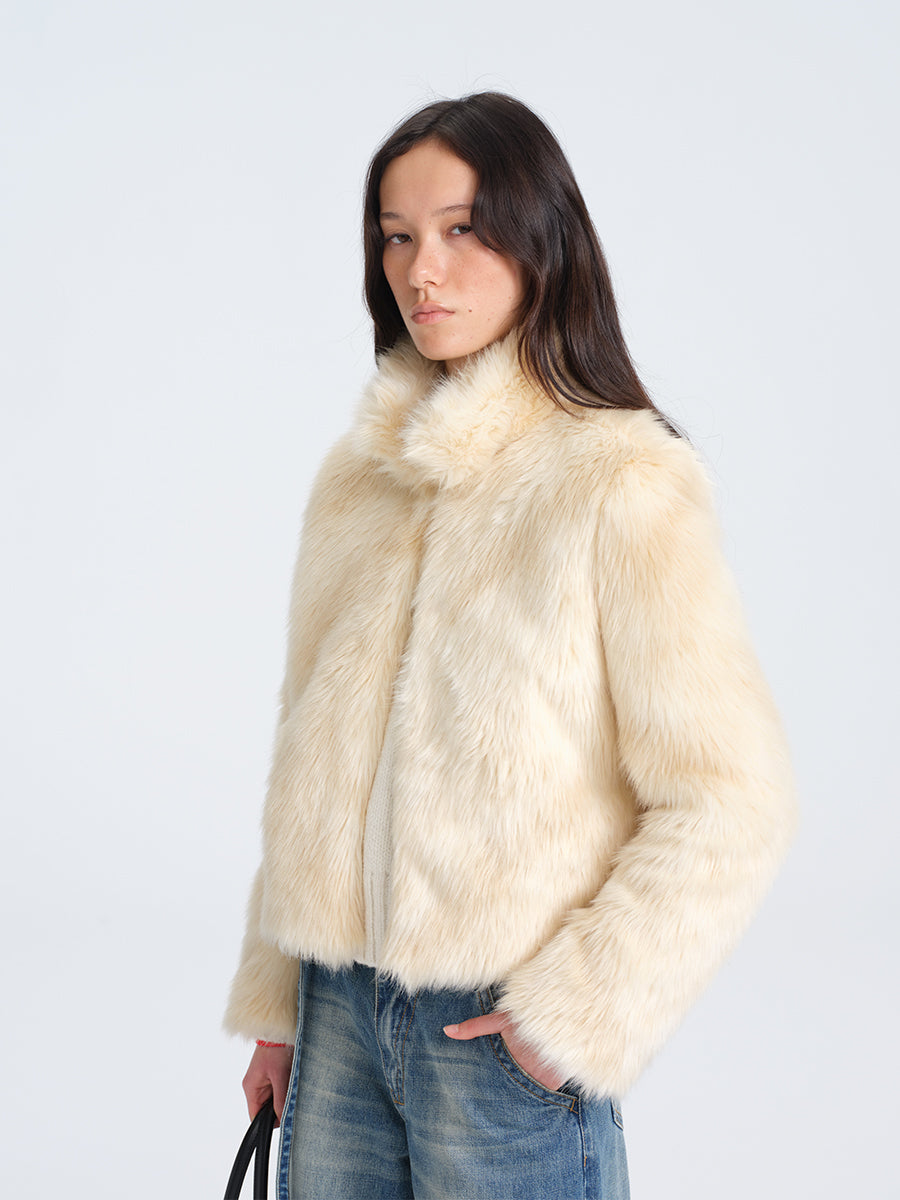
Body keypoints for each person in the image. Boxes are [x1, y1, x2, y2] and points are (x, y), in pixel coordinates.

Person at [224, 92, 796, 1200]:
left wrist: (579, 1008)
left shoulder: (621, 481)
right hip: (335, 1016)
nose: (422, 270)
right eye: (397, 236)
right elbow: (311, 761)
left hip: (496, 1031)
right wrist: (277, 1005)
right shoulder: (358, 483)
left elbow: (733, 796)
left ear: (540, 239)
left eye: (462, 229)